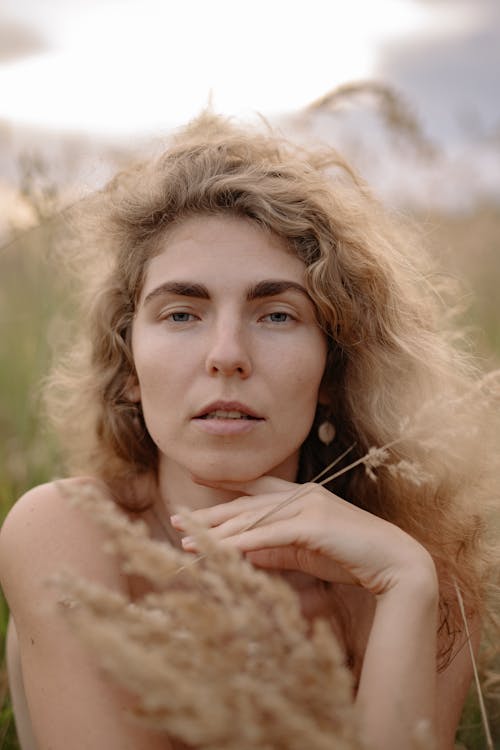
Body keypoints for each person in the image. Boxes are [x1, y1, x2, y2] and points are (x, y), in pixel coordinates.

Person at [0, 112, 498, 750]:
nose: (227, 353)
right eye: (182, 313)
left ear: (330, 368)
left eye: (277, 314)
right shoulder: (65, 532)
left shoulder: (424, 581)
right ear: (128, 367)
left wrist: (404, 584)